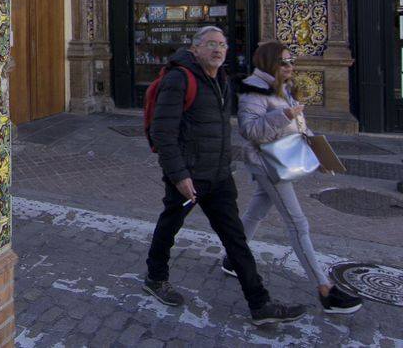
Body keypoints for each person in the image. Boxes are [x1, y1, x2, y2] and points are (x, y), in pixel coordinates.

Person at [144, 26, 307, 325]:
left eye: (222, 44)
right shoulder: (179, 79)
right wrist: (179, 175)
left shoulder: (221, 79)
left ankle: (260, 304)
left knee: (236, 239)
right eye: (210, 44)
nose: (218, 50)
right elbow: (162, 132)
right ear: (195, 49)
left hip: (218, 176)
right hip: (188, 177)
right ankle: (155, 277)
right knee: (170, 225)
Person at [224, 41, 363, 314]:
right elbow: (250, 131)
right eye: (284, 62)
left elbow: (300, 127)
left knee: (255, 213)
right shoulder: (254, 93)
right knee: (298, 224)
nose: (290, 66)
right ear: (269, 63)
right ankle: (325, 290)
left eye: (292, 61)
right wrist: (283, 114)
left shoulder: (283, 88)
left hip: (281, 161)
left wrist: (319, 154)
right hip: (267, 165)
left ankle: (232, 258)